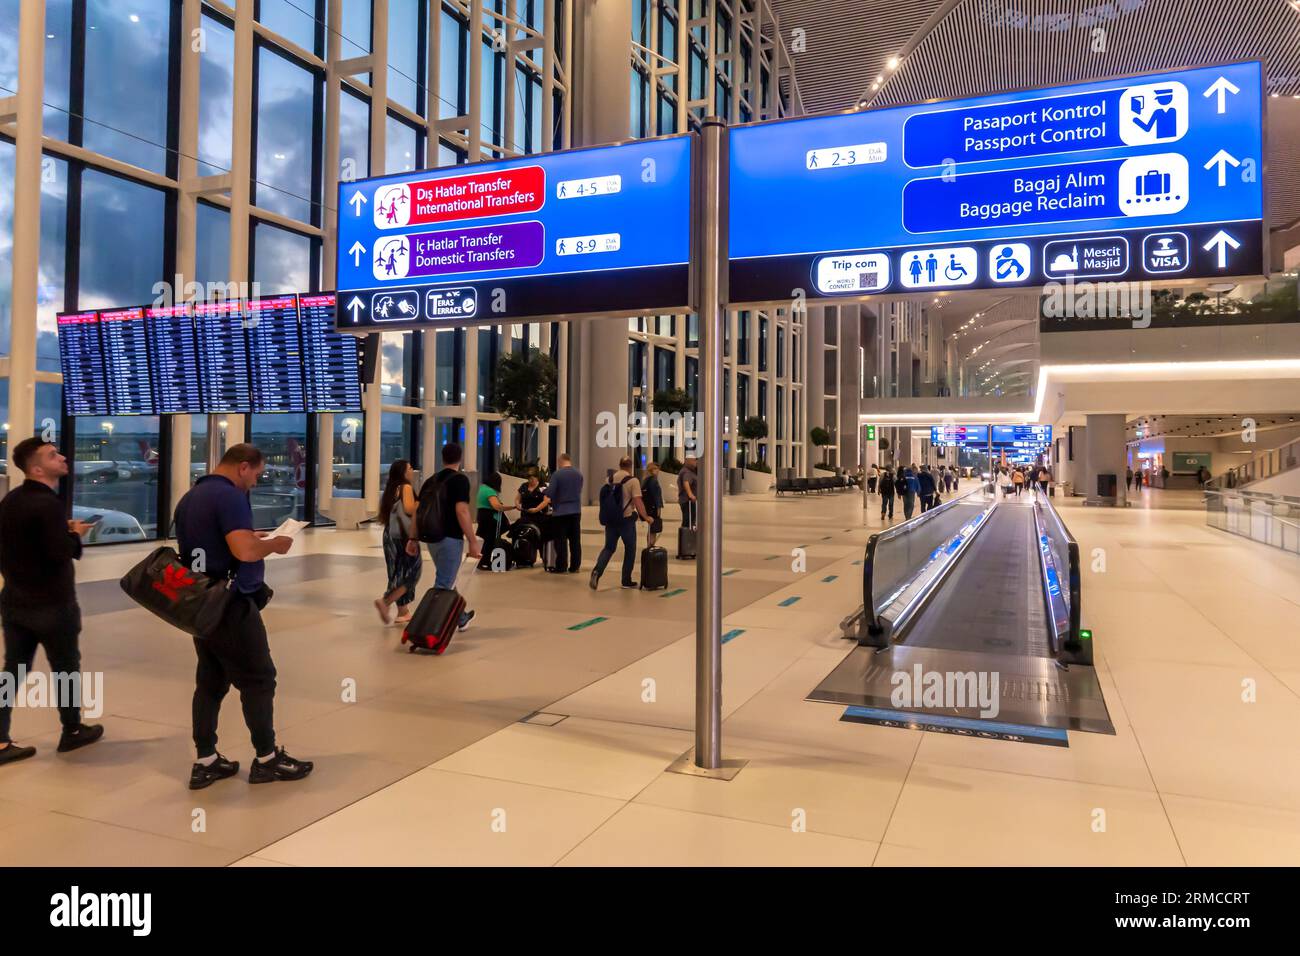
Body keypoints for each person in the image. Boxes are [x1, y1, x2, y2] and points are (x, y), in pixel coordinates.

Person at [174, 443, 310, 788]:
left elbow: (213, 545)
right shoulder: (230, 496)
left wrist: (254, 537)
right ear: (243, 467)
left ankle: (205, 760)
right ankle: (266, 759)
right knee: (259, 679)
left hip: (201, 603)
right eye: (256, 475)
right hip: (230, 604)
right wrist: (272, 544)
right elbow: (244, 550)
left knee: (210, 682)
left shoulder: (190, 498)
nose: (254, 482)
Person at [0, 438, 103, 767]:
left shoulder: (11, 501)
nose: (62, 457)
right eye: (53, 455)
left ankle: (0, 739)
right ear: (37, 469)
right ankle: (72, 730)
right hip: (52, 605)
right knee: (66, 669)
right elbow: (59, 552)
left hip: (16, 601)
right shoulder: (48, 504)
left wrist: (63, 531)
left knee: (12, 671)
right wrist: (74, 535)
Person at [418, 443, 482, 627]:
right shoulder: (459, 480)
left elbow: (418, 511)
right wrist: (472, 540)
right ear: (460, 458)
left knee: (448, 578)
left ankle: (460, 618)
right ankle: (428, 626)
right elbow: (462, 511)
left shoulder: (431, 481)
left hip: (431, 538)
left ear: (442, 458)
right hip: (450, 539)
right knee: (444, 584)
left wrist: (414, 538)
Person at [591, 456, 652, 591]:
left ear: (619, 465)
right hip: (626, 520)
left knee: (609, 548)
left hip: (611, 520)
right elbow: (637, 501)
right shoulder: (633, 481)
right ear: (630, 466)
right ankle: (626, 580)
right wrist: (645, 516)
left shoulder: (610, 479)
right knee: (630, 549)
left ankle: (596, 571)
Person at [375, 459, 422, 625]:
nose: (412, 469)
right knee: (413, 571)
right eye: (410, 467)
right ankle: (386, 601)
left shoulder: (390, 489)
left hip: (389, 533)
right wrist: (421, 503)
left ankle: (403, 612)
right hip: (403, 535)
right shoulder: (406, 487)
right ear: (403, 472)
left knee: (396, 572)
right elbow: (409, 508)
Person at [542, 453, 584, 573]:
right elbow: (579, 489)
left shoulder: (557, 474)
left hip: (560, 512)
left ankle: (561, 566)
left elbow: (550, 492)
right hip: (576, 511)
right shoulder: (578, 474)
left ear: (560, 461)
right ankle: (575, 566)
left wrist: (544, 490)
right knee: (575, 541)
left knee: (560, 541)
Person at [476, 470, 518, 570]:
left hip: (482, 516)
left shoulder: (481, 488)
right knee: (490, 540)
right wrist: (512, 507)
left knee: (486, 540)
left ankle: (482, 561)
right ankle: (484, 562)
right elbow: (497, 506)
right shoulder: (489, 491)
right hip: (490, 519)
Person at [642, 461, 665, 549]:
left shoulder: (646, 480)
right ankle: (651, 545)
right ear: (652, 470)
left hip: (648, 507)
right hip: (654, 507)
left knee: (650, 528)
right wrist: (659, 508)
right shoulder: (653, 481)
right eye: (656, 469)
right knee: (654, 529)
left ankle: (649, 544)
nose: (658, 471)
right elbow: (656, 496)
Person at [677, 456, 699, 529]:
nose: (695, 462)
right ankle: (686, 538)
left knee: (689, 521)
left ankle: (687, 537)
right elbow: (686, 482)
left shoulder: (690, 471)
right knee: (688, 521)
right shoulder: (687, 471)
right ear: (687, 461)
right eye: (694, 460)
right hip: (688, 501)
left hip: (687, 501)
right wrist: (690, 495)